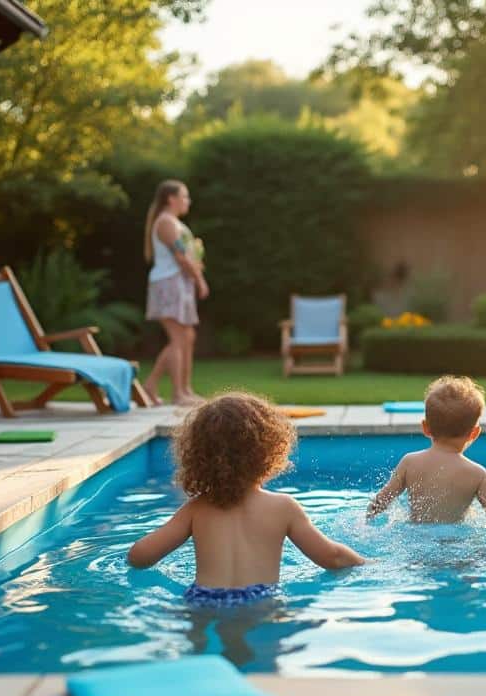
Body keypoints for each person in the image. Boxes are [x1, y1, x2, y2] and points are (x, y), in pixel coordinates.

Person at [127, 392, 365, 607]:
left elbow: (140, 557)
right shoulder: (283, 508)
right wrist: (367, 563)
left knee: (200, 644)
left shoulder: (196, 510)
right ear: (269, 452)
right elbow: (332, 557)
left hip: (202, 600)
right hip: (260, 600)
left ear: (198, 457)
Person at [367, 376, 486, 526]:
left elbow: (380, 502)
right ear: (474, 433)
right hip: (456, 543)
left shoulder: (409, 462)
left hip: (416, 539)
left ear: (425, 428)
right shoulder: (477, 473)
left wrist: (367, 520)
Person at [141, 179, 208, 407]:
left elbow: (187, 255)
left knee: (187, 337)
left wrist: (196, 271)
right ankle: (177, 393)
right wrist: (200, 280)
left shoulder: (174, 222)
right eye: (184, 196)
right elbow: (180, 257)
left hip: (179, 284)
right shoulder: (166, 222)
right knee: (178, 338)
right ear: (171, 199)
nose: (187, 201)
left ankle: (179, 388)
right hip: (168, 284)